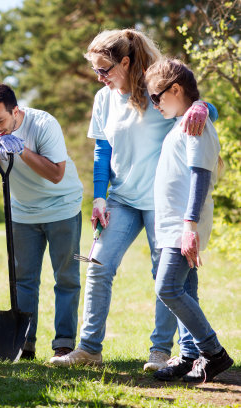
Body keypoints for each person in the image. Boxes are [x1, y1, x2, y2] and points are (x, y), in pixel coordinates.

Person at [51, 29, 212, 369]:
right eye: (95, 70)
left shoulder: (156, 91)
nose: (99, 77)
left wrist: (202, 106)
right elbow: (102, 150)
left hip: (162, 201)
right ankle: (89, 349)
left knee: (165, 277)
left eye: (104, 69)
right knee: (97, 266)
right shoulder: (103, 99)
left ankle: (160, 351)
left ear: (125, 62)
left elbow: (196, 107)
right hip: (121, 199)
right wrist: (99, 197)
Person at [0, 83, 84, 360]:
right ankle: (24, 344)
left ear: (16, 111)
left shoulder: (44, 124)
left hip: (62, 208)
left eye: (1, 120)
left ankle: (64, 344)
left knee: (66, 278)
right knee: (23, 280)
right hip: (22, 213)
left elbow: (57, 174)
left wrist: (21, 150)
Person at [145, 58, 233, 382]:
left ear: (176, 89)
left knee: (167, 287)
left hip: (183, 227)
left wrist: (189, 226)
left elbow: (200, 176)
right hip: (173, 226)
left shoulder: (195, 124)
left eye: (157, 97)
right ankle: (189, 354)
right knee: (186, 291)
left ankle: (213, 352)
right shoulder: (184, 120)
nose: (155, 104)